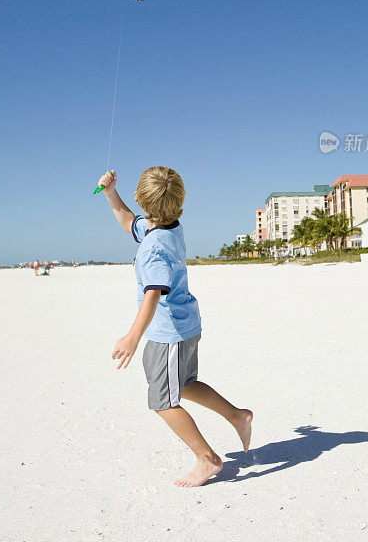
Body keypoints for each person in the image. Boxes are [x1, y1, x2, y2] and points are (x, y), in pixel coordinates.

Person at [97, 167, 253, 488]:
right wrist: (111, 193)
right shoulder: (168, 228)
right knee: (184, 384)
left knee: (163, 401)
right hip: (186, 325)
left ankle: (207, 459)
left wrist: (132, 336)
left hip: (168, 334)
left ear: (143, 202)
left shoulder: (154, 246)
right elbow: (128, 222)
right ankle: (238, 416)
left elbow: (153, 292)